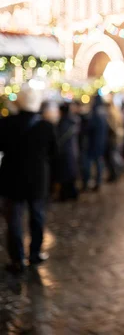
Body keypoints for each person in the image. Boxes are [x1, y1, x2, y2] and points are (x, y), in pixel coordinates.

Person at [0, 84, 57, 274]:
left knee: (14, 219)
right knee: (37, 217)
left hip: (12, 179)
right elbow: (53, 152)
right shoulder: (46, 126)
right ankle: (34, 253)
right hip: (37, 179)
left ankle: (18, 259)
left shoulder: (6, 123)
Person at [82, 95, 108, 192]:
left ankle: (88, 181)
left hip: (93, 142)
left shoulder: (95, 113)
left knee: (90, 162)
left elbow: (89, 127)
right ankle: (98, 181)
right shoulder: (103, 113)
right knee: (98, 163)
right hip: (100, 142)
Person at [56, 102, 80, 201]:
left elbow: (59, 138)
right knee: (71, 174)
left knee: (66, 175)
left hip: (65, 152)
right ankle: (72, 193)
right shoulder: (73, 121)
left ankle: (66, 194)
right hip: (72, 151)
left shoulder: (63, 122)